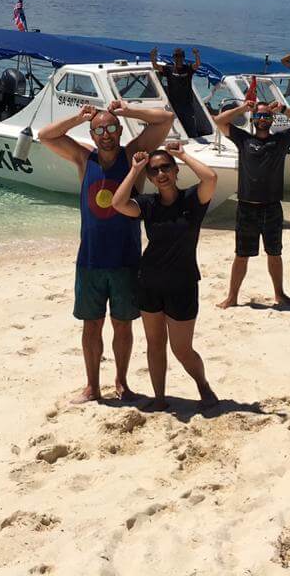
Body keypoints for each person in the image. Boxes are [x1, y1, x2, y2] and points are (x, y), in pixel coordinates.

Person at [38, 98, 175, 404]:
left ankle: (122, 383)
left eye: (112, 127)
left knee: (122, 325)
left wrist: (127, 110)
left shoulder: (132, 157)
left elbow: (164, 120)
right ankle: (91, 386)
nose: (106, 133)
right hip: (90, 260)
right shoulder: (84, 159)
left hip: (126, 259)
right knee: (92, 325)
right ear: (92, 133)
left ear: (119, 130)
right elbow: (45, 136)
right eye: (99, 129)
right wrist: (78, 118)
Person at [111, 141, 219, 410]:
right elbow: (118, 203)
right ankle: (159, 398)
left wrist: (182, 154)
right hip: (149, 283)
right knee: (155, 344)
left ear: (175, 170)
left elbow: (211, 177)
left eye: (166, 168)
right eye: (154, 170)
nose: (161, 174)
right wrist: (135, 169)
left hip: (182, 285)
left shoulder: (192, 201)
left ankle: (203, 385)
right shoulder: (148, 204)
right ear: (150, 177)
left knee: (182, 349)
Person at [210, 98, 290, 308]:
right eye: (259, 115)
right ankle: (232, 297)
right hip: (247, 207)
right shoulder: (243, 139)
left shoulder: (281, 141)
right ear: (253, 118)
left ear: (272, 118)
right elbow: (219, 121)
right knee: (241, 255)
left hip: (272, 207)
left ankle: (279, 294)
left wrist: (283, 108)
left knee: (274, 253)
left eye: (266, 116)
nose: (263, 119)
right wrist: (243, 108)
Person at [150, 46, 204, 137]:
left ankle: (192, 140)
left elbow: (197, 65)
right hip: (173, 104)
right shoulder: (169, 69)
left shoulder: (188, 68)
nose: (178, 59)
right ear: (173, 58)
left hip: (187, 104)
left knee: (190, 127)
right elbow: (155, 66)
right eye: (176, 56)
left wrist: (197, 54)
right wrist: (152, 57)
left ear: (183, 58)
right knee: (176, 127)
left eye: (180, 56)